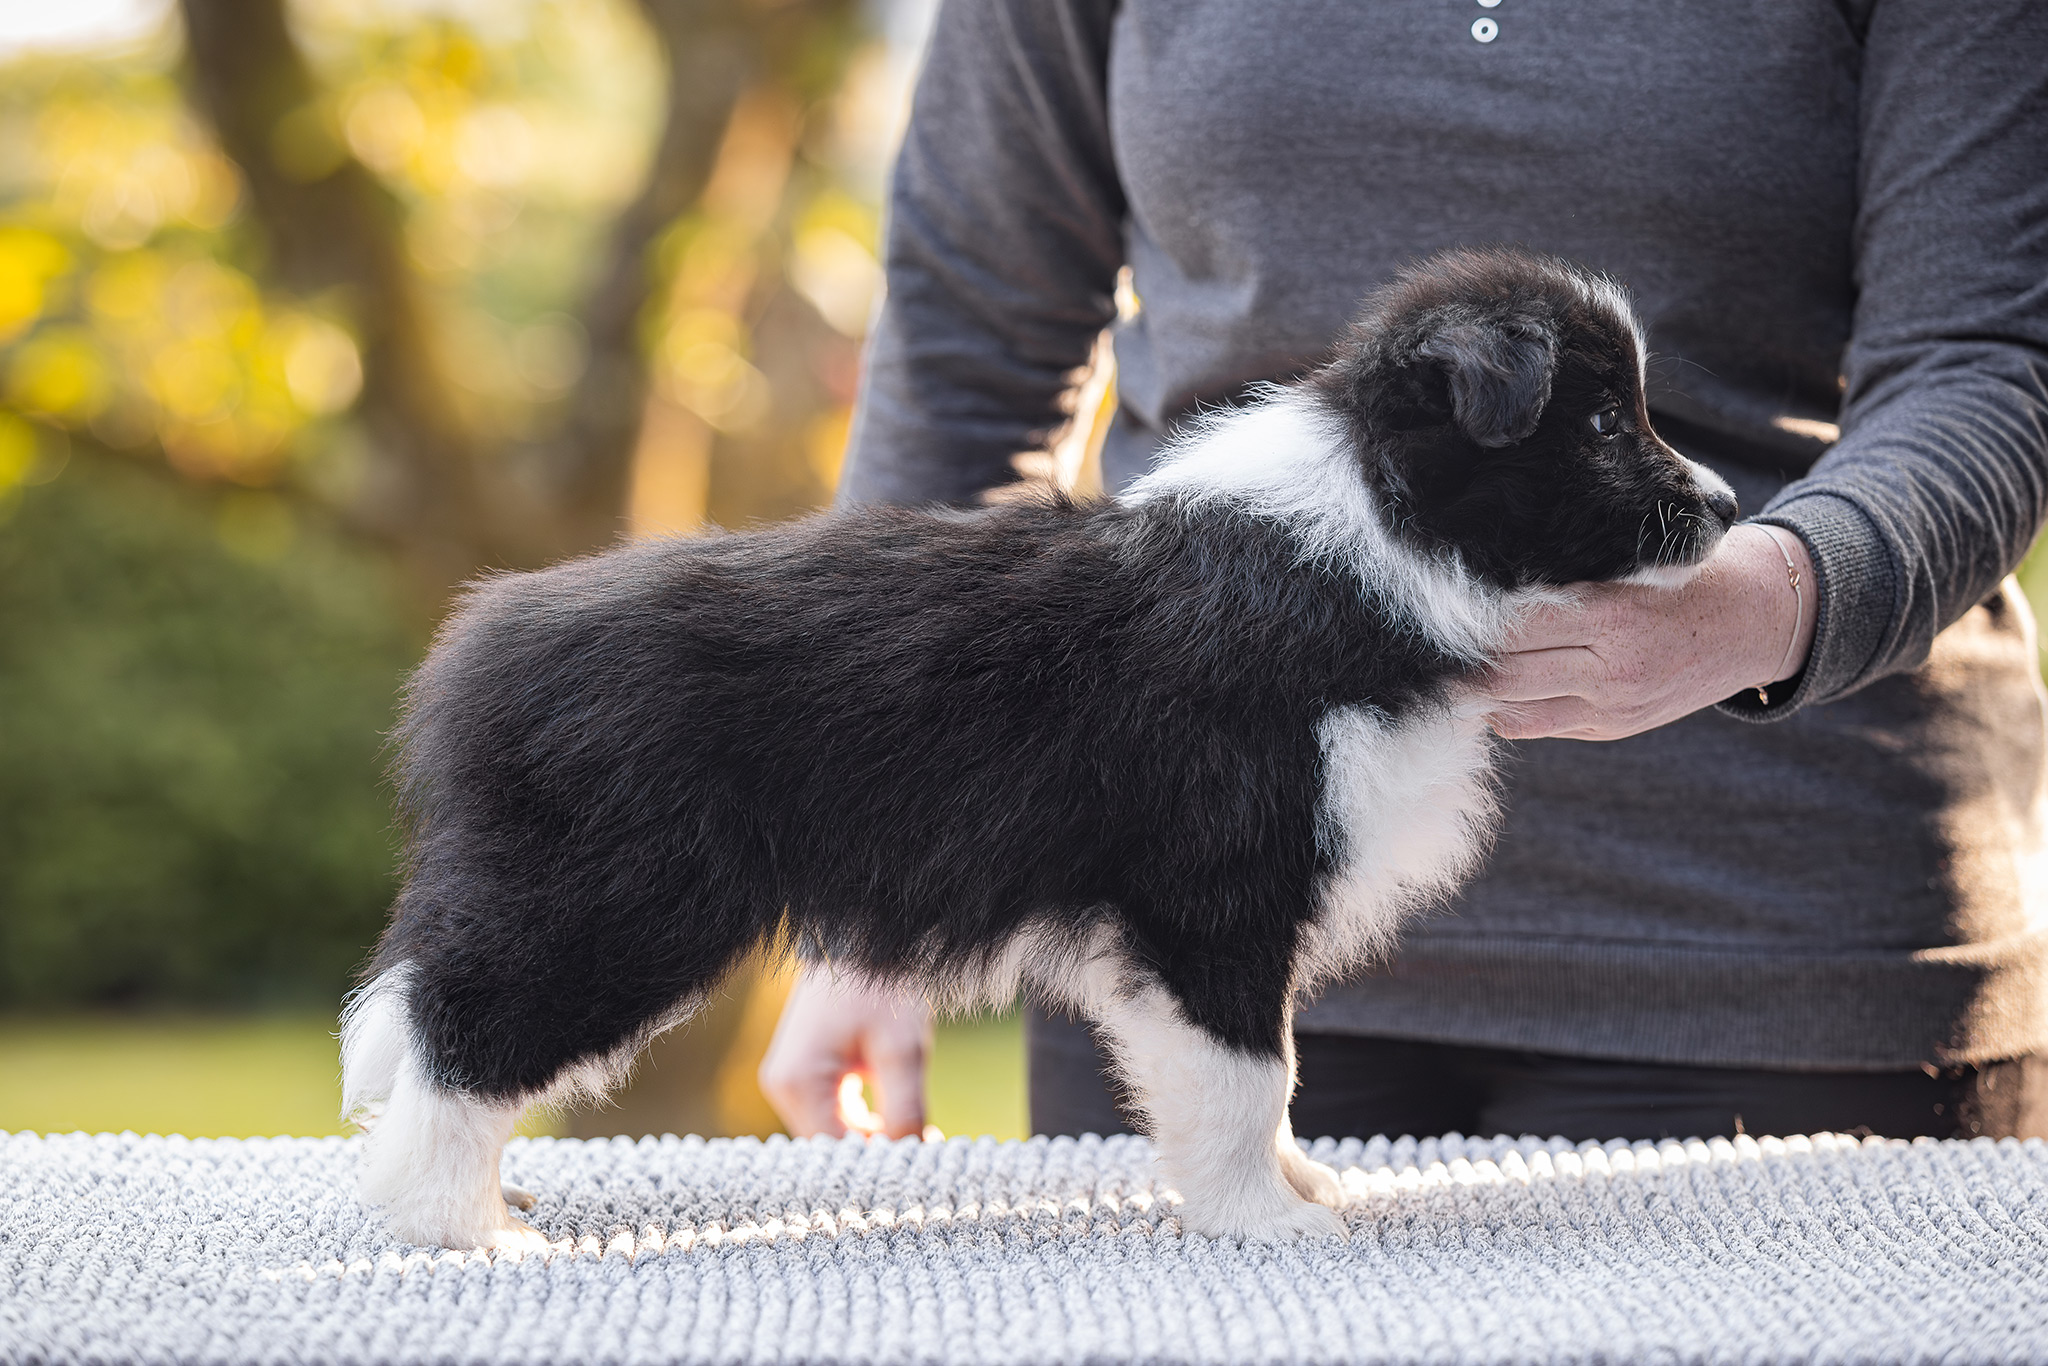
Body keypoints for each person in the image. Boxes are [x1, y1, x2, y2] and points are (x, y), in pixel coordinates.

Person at [760, 0, 2048, 1145]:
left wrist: (1778, 602)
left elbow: (1989, 357)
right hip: (1164, 891)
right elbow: (970, 324)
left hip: (1781, 957)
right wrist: (875, 835)